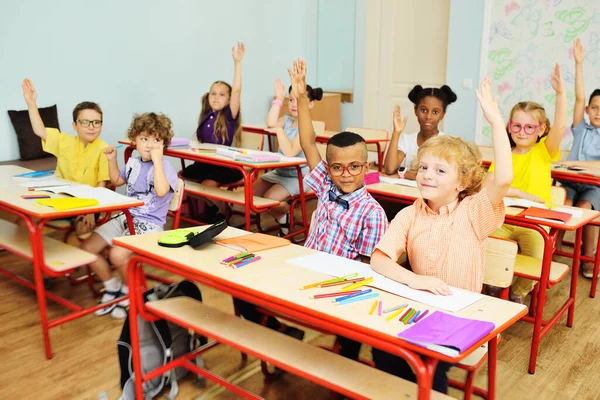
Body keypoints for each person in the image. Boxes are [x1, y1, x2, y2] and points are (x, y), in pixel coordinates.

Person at [235, 59, 388, 362]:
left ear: (366, 168)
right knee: (241, 285)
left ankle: (345, 361)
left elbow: (370, 270)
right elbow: (307, 141)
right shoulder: (324, 187)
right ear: (328, 169)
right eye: (337, 167)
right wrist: (301, 98)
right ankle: (278, 330)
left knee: (350, 330)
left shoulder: (372, 213)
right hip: (303, 268)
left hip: (340, 287)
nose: (346, 174)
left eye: (355, 166)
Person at [369, 77, 512, 394]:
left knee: (429, 361)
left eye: (440, 171)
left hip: (461, 313)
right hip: (418, 304)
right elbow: (379, 259)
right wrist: (414, 280)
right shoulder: (410, 213)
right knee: (380, 347)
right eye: (424, 168)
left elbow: (503, 178)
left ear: (462, 182)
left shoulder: (474, 211)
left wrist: (496, 121)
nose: (427, 175)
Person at [81, 112, 178, 319]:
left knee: (116, 254)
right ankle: (112, 286)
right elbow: (116, 180)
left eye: (156, 140)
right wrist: (111, 160)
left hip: (150, 226)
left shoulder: (166, 168)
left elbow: (161, 191)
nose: (150, 145)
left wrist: (158, 162)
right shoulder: (134, 162)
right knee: (88, 249)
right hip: (127, 217)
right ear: (134, 140)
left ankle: (133, 292)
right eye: (144, 139)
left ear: (164, 144)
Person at [487, 63, 567, 302]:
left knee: (537, 257)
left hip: (536, 224)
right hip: (505, 217)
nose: (522, 132)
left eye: (530, 127)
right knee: (487, 244)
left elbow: (561, 125)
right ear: (509, 127)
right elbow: (488, 184)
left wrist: (561, 94)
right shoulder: (504, 152)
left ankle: (518, 292)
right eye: (517, 126)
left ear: (541, 129)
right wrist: (520, 193)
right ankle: (492, 286)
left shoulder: (544, 150)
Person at [181, 42, 245, 222]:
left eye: (222, 94)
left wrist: (237, 63)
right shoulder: (207, 114)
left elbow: (238, 90)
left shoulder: (229, 115)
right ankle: (211, 211)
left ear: (230, 98)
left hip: (223, 165)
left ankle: (222, 212)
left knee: (206, 186)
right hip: (206, 163)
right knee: (183, 181)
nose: (216, 98)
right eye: (213, 94)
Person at [253, 78, 323, 236]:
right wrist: (278, 98)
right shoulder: (286, 120)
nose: (293, 104)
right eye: (290, 99)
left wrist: (279, 131)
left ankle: (285, 214)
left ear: (310, 104)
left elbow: (290, 151)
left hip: (299, 175)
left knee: (269, 199)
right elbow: (270, 122)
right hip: (281, 172)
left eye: (298, 100)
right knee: (251, 194)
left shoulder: (307, 128)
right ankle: (284, 215)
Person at [556, 38, 600, 278]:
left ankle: (589, 257)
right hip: (570, 182)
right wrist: (579, 64)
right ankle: (556, 248)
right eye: (594, 107)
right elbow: (580, 98)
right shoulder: (581, 129)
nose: (598, 112)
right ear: (587, 111)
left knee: (586, 210)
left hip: (593, 186)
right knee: (563, 204)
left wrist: (574, 164)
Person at [382, 85, 457, 178]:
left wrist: (407, 174)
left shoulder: (447, 143)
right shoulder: (407, 140)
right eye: (423, 110)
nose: (428, 116)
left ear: (443, 115)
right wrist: (396, 133)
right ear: (415, 110)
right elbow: (389, 169)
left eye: (435, 112)